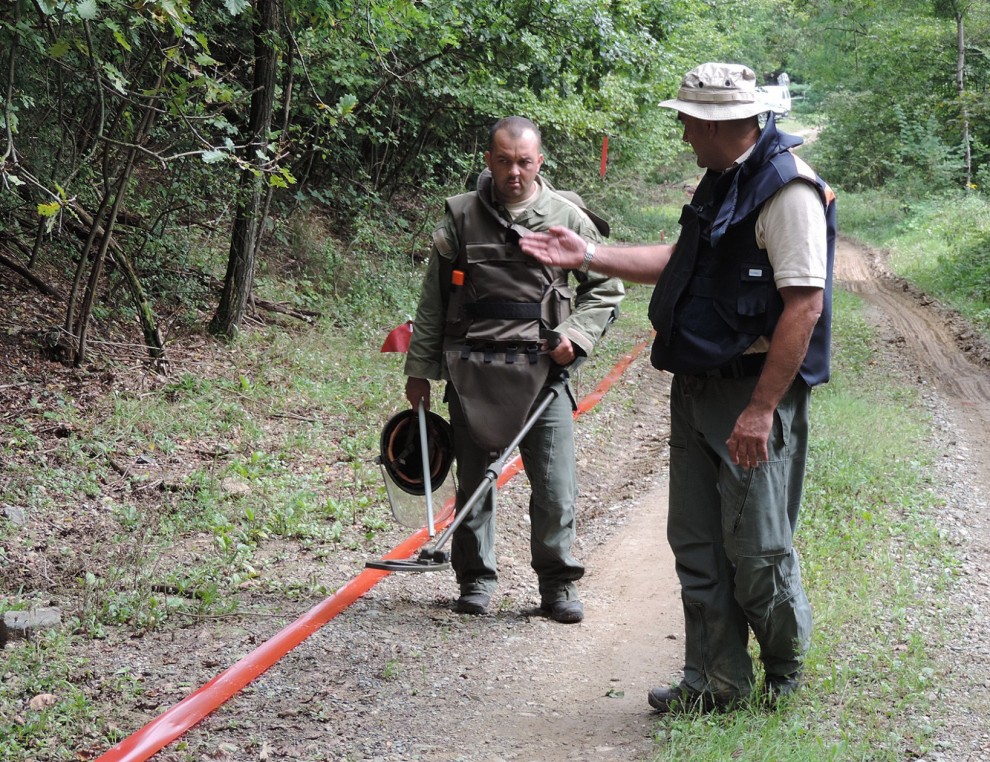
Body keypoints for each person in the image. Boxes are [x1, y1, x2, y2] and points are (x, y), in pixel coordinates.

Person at [519, 63, 836, 707]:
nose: (685, 131)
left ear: (724, 122)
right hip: (695, 388)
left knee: (757, 549)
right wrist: (585, 254)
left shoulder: (788, 193)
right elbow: (678, 259)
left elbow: (803, 306)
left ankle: (783, 671)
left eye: (690, 120)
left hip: (751, 395)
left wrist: (760, 410)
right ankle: (713, 679)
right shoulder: (722, 181)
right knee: (695, 541)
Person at [403, 116, 624, 623]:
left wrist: (577, 336)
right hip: (471, 372)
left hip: (543, 374)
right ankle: (475, 579)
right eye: (503, 161)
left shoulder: (568, 217)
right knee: (475, 480)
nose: (514, 173)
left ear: (539, 162)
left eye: (524, 162)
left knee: (554, 485)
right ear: (489, 162)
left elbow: (607, 288)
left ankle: (557, 584)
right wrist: (421, 370)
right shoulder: (460, 217)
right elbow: (434, 301)